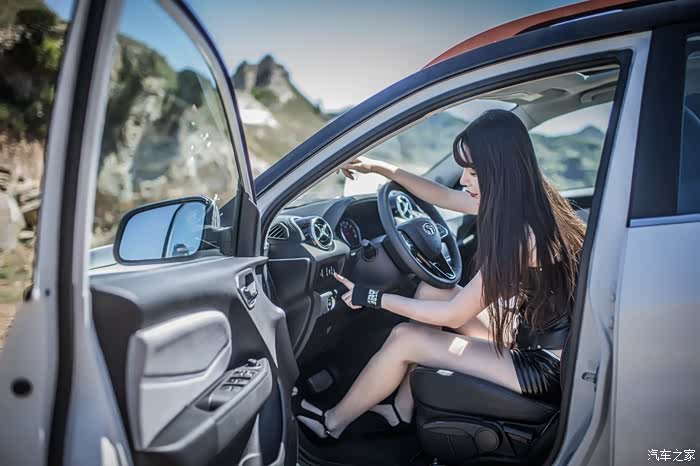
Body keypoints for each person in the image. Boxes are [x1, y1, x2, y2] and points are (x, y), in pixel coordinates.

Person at [296, 109, 585, 440]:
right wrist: (379, 167)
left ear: (499, 170)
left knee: (404, 338)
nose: (463, 180)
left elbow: (453, 315)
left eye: (473, 171)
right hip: (530, 336)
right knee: (432, 291)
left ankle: (331, 424)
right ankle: (401, 410)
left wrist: (372, 296)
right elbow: (443, 196)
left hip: (541, 367)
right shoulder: (525, 200)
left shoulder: (519, 234)